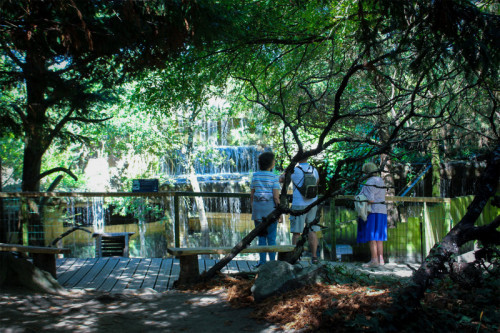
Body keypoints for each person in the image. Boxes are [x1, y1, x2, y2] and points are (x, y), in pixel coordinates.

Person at [250, 151, 281, 267]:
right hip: (270, 211)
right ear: (271, 164)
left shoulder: (255, 176)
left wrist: (253, 207)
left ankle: (262, 262)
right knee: (271, 237)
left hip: (258, 209)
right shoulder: (274, 177)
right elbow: (276, 197)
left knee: (261, 237)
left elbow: (252, 194)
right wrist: (280, 214)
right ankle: (272, 263)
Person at [288, 158, 320, 264]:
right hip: (312, 203)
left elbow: (283, 179)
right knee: (312, 230)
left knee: (297, 232)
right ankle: (314, 257)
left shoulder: (294, 170)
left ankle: (295, 257)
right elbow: (317, 182)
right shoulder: (313, 169)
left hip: (298, 205)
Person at [357, 162, 388, 267]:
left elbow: (371, 199)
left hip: (373, 211)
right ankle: (381, 259)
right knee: (379, 237)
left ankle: (374, 260)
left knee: (372, 236)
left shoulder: (369, 182)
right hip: (382, 210)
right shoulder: (381, 180)